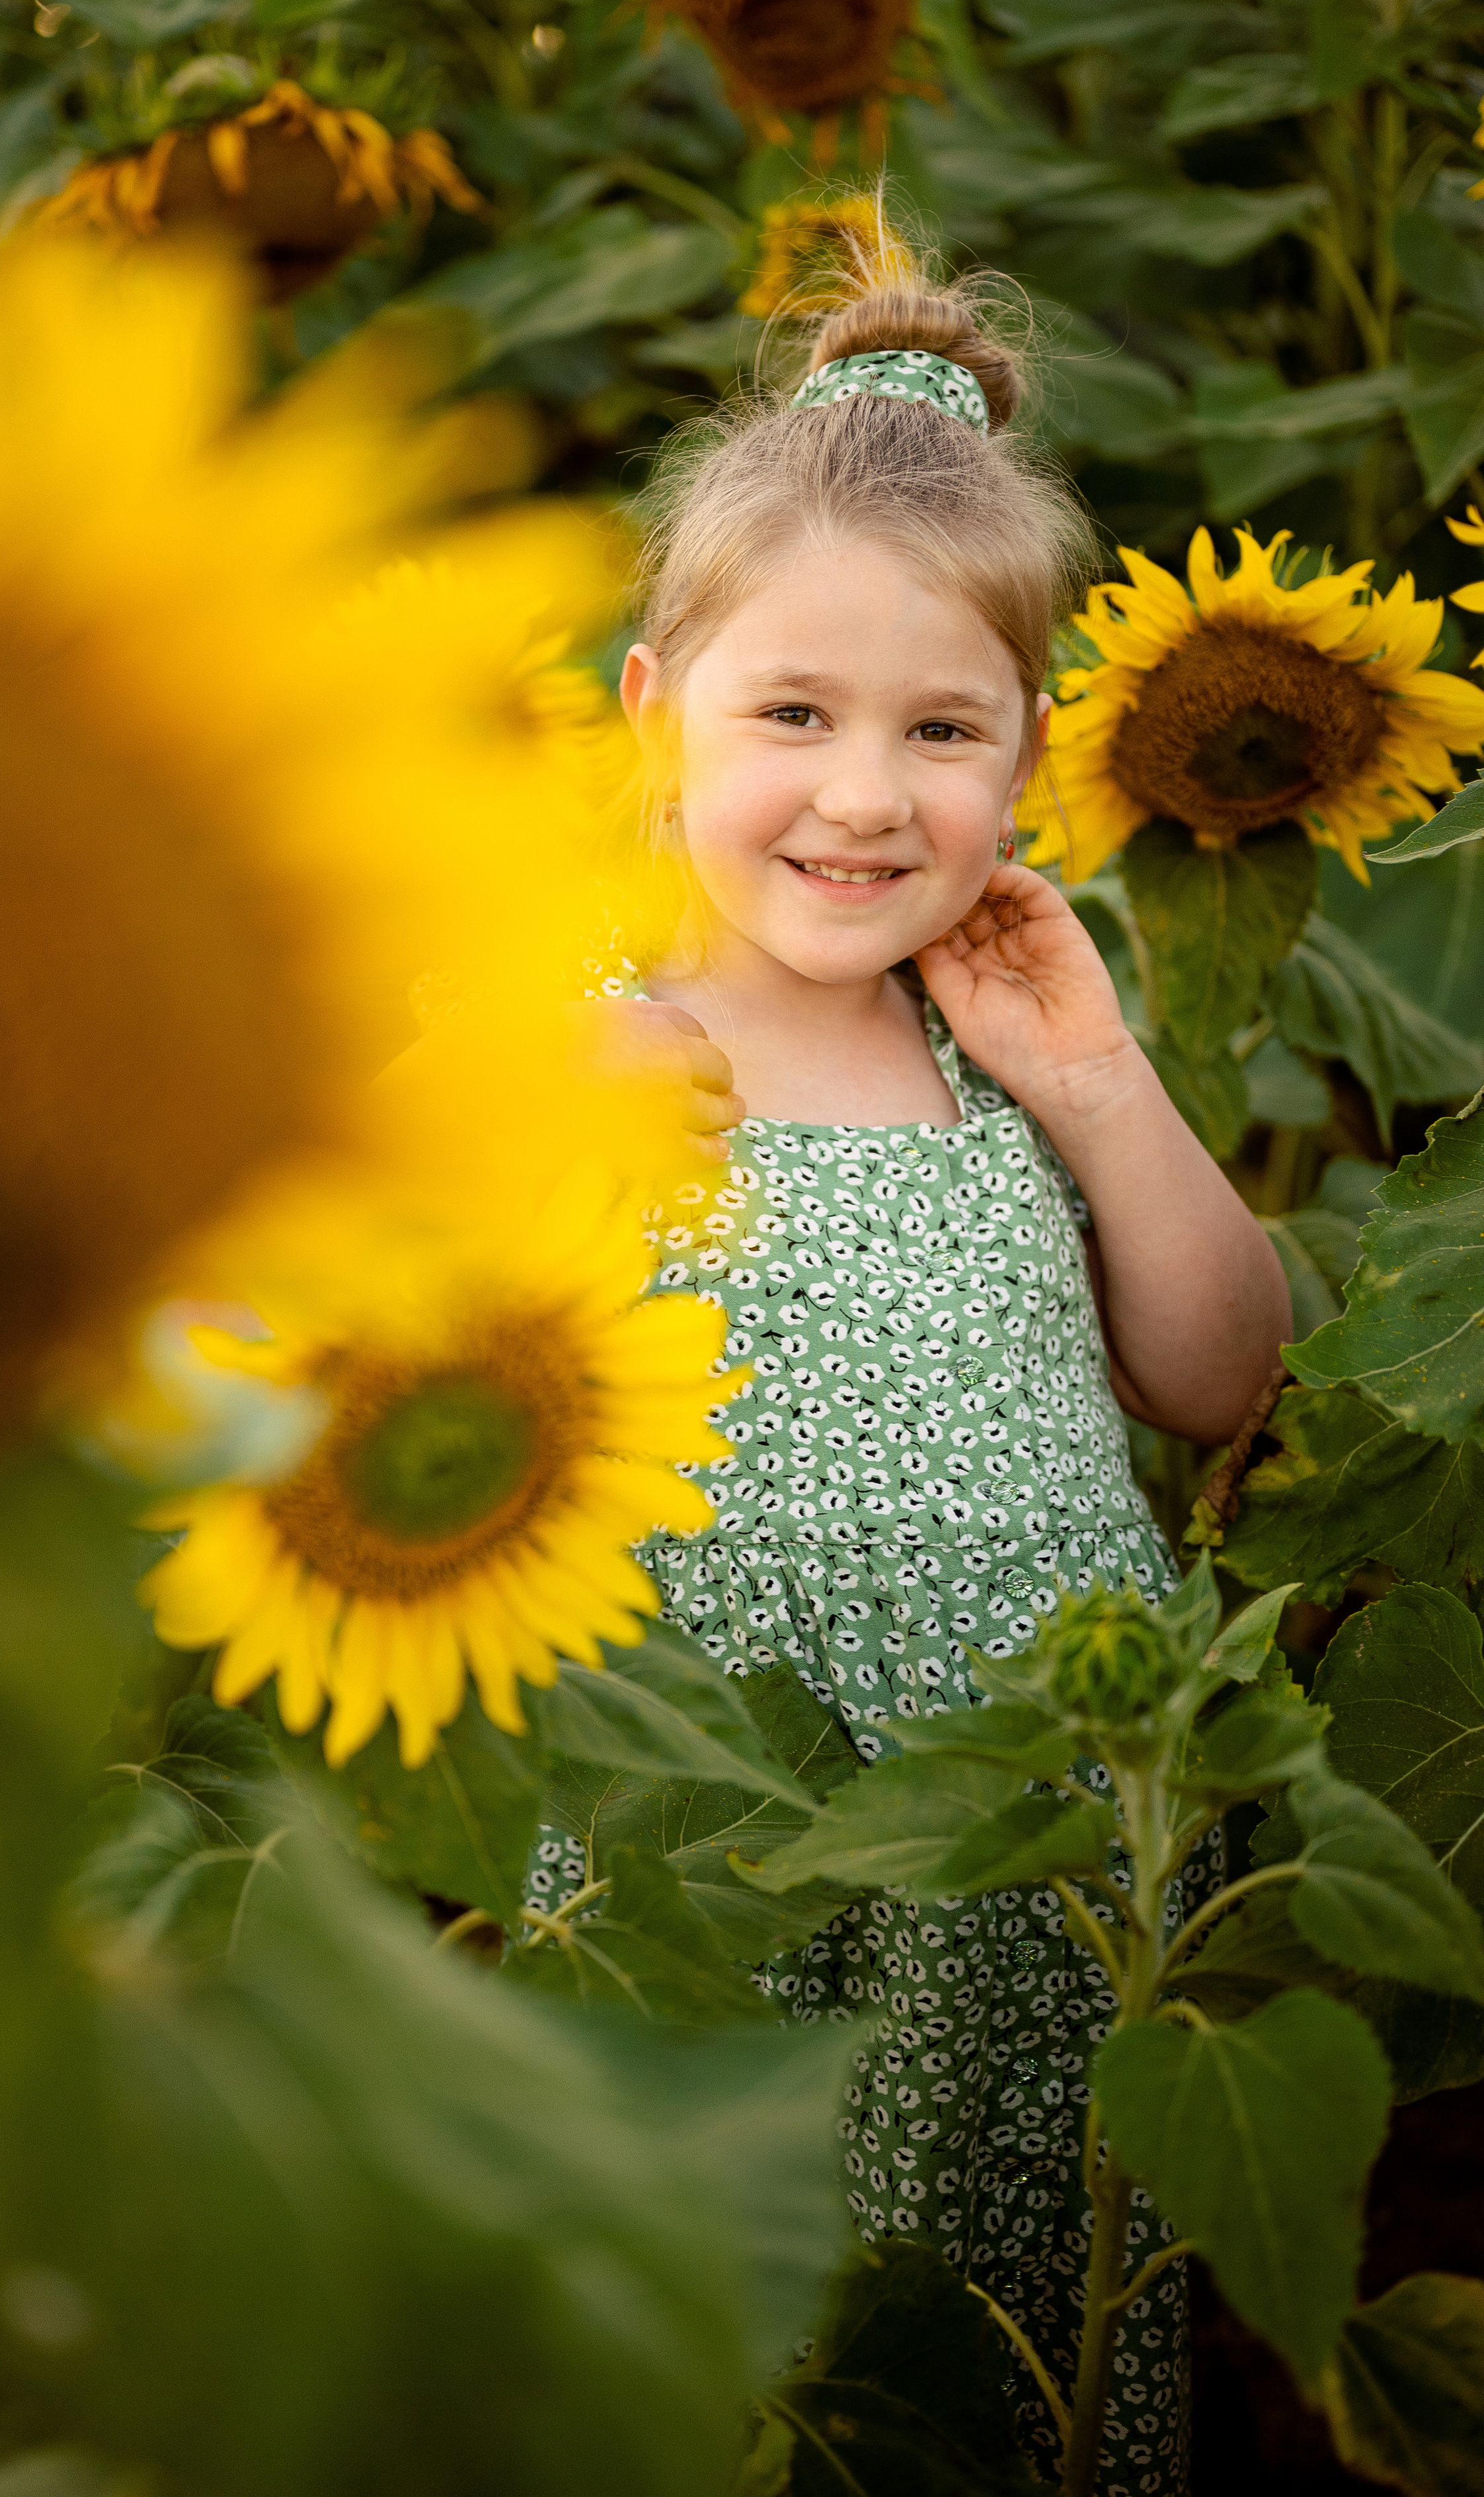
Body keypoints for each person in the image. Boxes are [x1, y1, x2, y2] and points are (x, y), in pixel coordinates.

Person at [532, 226, 1292, 2493]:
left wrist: (1105, 1086)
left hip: (1030, 1835)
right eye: (797, 716)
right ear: (657, 713)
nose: (867, 797)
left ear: (1027, 760)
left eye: (940, 731)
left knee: (1007, 2324)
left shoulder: (999, 1053)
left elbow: (1220, 1373)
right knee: (733, 2330)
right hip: (721, 1821)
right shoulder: (594, 1042)